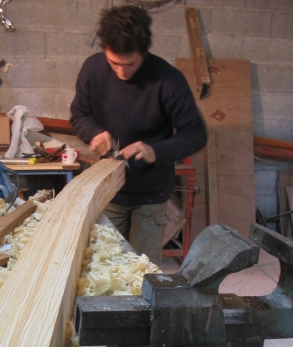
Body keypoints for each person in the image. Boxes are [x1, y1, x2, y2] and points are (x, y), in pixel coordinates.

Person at [70, 5, 207, 266]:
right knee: (105, 265)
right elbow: (79, 115)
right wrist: (94, 133)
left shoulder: (168, 80)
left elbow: (196, 134)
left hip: (151, 194)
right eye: (114, 63)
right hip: (110, 188)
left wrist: (157, 151)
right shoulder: (93, 70)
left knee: (141, 270)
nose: (122, 72)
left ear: (145, 50)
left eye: (130, 64)